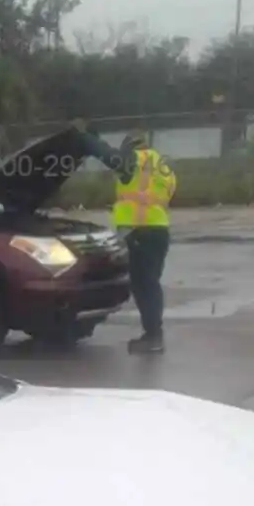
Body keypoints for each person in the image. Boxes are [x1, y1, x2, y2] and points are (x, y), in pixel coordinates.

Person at [75, 124, 176, 354]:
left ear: (130, 147)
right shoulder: (161, 164)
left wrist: (84, 139)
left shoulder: (134, 161)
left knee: (144, 285)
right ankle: (153, 334)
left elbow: (106, 155)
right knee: (150, 283)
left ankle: (153, 336)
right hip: (159, 230)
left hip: (141, 231)